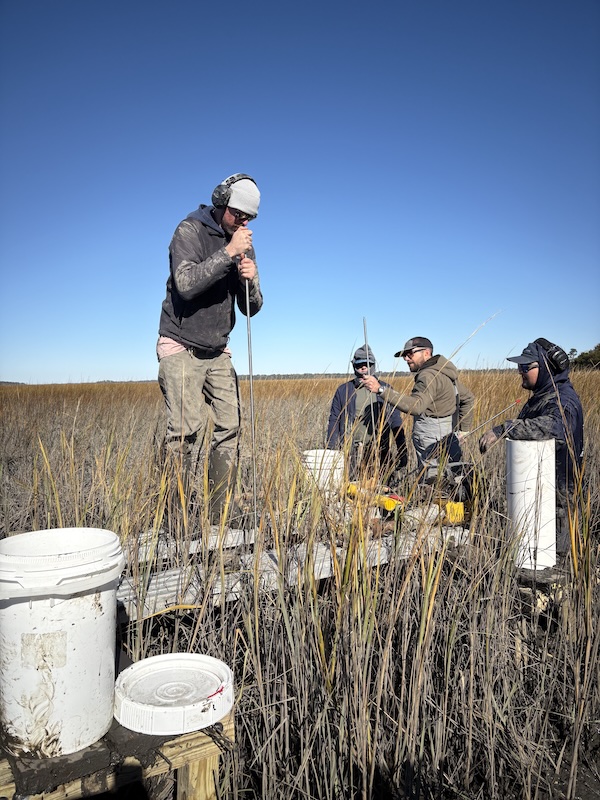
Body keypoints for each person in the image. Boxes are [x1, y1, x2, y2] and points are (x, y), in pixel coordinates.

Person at [157, 173, 263, 523]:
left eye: (250, 219)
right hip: (181, 344)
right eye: (238, 215)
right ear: (221, 202)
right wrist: (227, 253)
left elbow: (252, 307)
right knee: (185, 432)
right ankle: (175, 518)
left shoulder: (244, 243)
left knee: (230, 425)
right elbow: (186, 285)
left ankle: (221, 512)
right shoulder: (189, 231)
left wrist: (249, 278)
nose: (243, 223)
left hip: (218, 349)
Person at [479, 338, 583, 556]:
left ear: (547, 368)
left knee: (552, 557)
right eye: (519, 366)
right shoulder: (540, 397)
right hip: (535, 493)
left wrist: (503, 430)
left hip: (557, 498)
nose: (520, 371)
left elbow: (555, 428)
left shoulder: (563, 400)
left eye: (527, 366)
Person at [362, 337, 474, 480]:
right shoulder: (445, 372)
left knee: (431, 480)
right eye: (404, 356)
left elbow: (416, 406)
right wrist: (463, 431)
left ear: (426, 353)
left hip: (429, 435)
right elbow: (468, 398)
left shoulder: (427, 375)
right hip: (450, 433)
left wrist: (381, 390)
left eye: (410, 354)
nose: (406, 359)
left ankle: (432, 502)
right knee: (455, 474)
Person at [327, 345, 407, 481]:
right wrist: (331, 450)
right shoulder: (343, 390)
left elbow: (395, 420)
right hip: (350, 451)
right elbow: (334, 420)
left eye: (367, 364)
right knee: (351, 487)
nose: (363, 367)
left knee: (382, 486)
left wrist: (402, 449)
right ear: (354, 367)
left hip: (378, 450)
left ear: (373, 365)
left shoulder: (385, 389)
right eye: (360, 365)